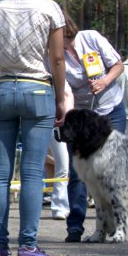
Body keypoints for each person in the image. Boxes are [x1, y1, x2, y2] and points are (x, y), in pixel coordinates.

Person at [0, 0, 66, 256]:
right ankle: (27, 248)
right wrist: (61, 97)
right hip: (37, 89)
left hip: (1, 90)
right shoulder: (49, 9)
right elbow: (57, 58)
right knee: (32, 173)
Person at [62, 14, 125, 242]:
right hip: (80, 118)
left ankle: (120, 225)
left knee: (115, 171)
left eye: (70, 37)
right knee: (78, 173)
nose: (68, 42)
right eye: (62, 38)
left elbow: (118, 65)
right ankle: (75, 226)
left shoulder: (92, 38)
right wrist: (66, 115)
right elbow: (62, 88)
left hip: (111, 107)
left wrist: (104, 81)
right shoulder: (53, 54)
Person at [46, 80, 74, 220]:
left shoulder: (65, 80)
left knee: (66, 167)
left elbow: (68, 96)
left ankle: (65, 205)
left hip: (68, 126)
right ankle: (59, 207)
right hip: (53, 125)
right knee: (62, 166)